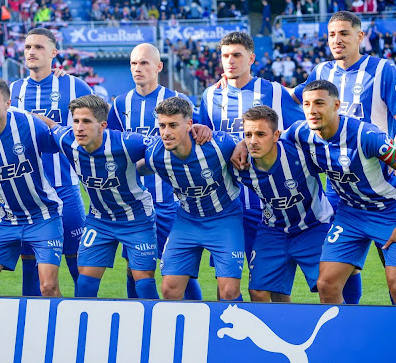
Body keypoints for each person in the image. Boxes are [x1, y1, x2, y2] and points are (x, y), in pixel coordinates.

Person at [291, 11, 396, 304]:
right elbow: (290, 97)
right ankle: (349, 325)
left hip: (381, 181)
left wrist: (392, 157)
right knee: (338, 272)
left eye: (345, 33)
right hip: (340, 191)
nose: (338, 40)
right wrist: (235, 82)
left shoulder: (382, 70)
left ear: (360, 36)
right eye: (333, 34)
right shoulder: (321, 72)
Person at [201, 31, 303, 301]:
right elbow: (205, 141)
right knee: (226, 284)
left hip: (267, 205)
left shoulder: (273, 91)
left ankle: (284, 335)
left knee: (271, 289)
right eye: (225, 56)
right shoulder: (210, 96)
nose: (230, 61)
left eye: (237, 55)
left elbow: (297, 134)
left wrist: (251, 144)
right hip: (227, 205)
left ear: (251, 58)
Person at [37, 94, 160, 299]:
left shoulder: (126, 142)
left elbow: (163, 144)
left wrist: (196, 130)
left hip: (137, 218)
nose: (79, 127)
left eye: (86, 121)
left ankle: (152, 328)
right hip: (100, 220)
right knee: (84, 283)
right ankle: (84, 329)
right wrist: (12, 113)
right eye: (76, 121)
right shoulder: (67, 139)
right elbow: (50, 124)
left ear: (102, 125)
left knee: (145, 283)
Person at [107, 43, 202, 300]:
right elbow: (114, 146)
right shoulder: (120, 104)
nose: (138, 68)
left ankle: (197, 317)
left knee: (179, 270)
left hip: (170, 201)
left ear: (159, 67)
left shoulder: (178, 101)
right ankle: (137, 319)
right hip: (134, 204)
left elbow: (197, 139)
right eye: (134, 63)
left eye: (144, 63)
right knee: (134, 268)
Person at [0, 77, 63, 297]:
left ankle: (59, 329)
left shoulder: (28, 123)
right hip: (4, 221)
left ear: (7, 104)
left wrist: (56, 127)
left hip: (43, 216)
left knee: (48, 287)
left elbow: (57, 145)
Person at [9, 28, 92, 296]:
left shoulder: (73, 86)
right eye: (27, 47)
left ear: (54, 53)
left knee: (78, 263)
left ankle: (88, 322)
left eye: (39, 47)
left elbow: (96, 130)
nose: (31, 52)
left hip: (64, 187)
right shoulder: (13, 90)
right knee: (31, 267)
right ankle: (34, 329)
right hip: (28, 195)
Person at [140, 97, 245, 301]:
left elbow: (251, 141)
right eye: (162, 126)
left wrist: (243, 143)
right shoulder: (155, 154)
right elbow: (136, 165)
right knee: (169, 289)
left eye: (173, 125)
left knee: (229, 292)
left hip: (225, 218)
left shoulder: (218, 145)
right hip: (187, 220)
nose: (166, 132)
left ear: (189, 124)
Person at [232, 105, 333, 302]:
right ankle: (281, 331)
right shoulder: (239, 163)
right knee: (259, 292)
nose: (253, 141)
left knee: (327, 286)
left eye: (261, 134)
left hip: (314, 226)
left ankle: (338, 330)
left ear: (276, 135)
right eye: (248, 134)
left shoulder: (300, 152)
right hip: (273, 230)